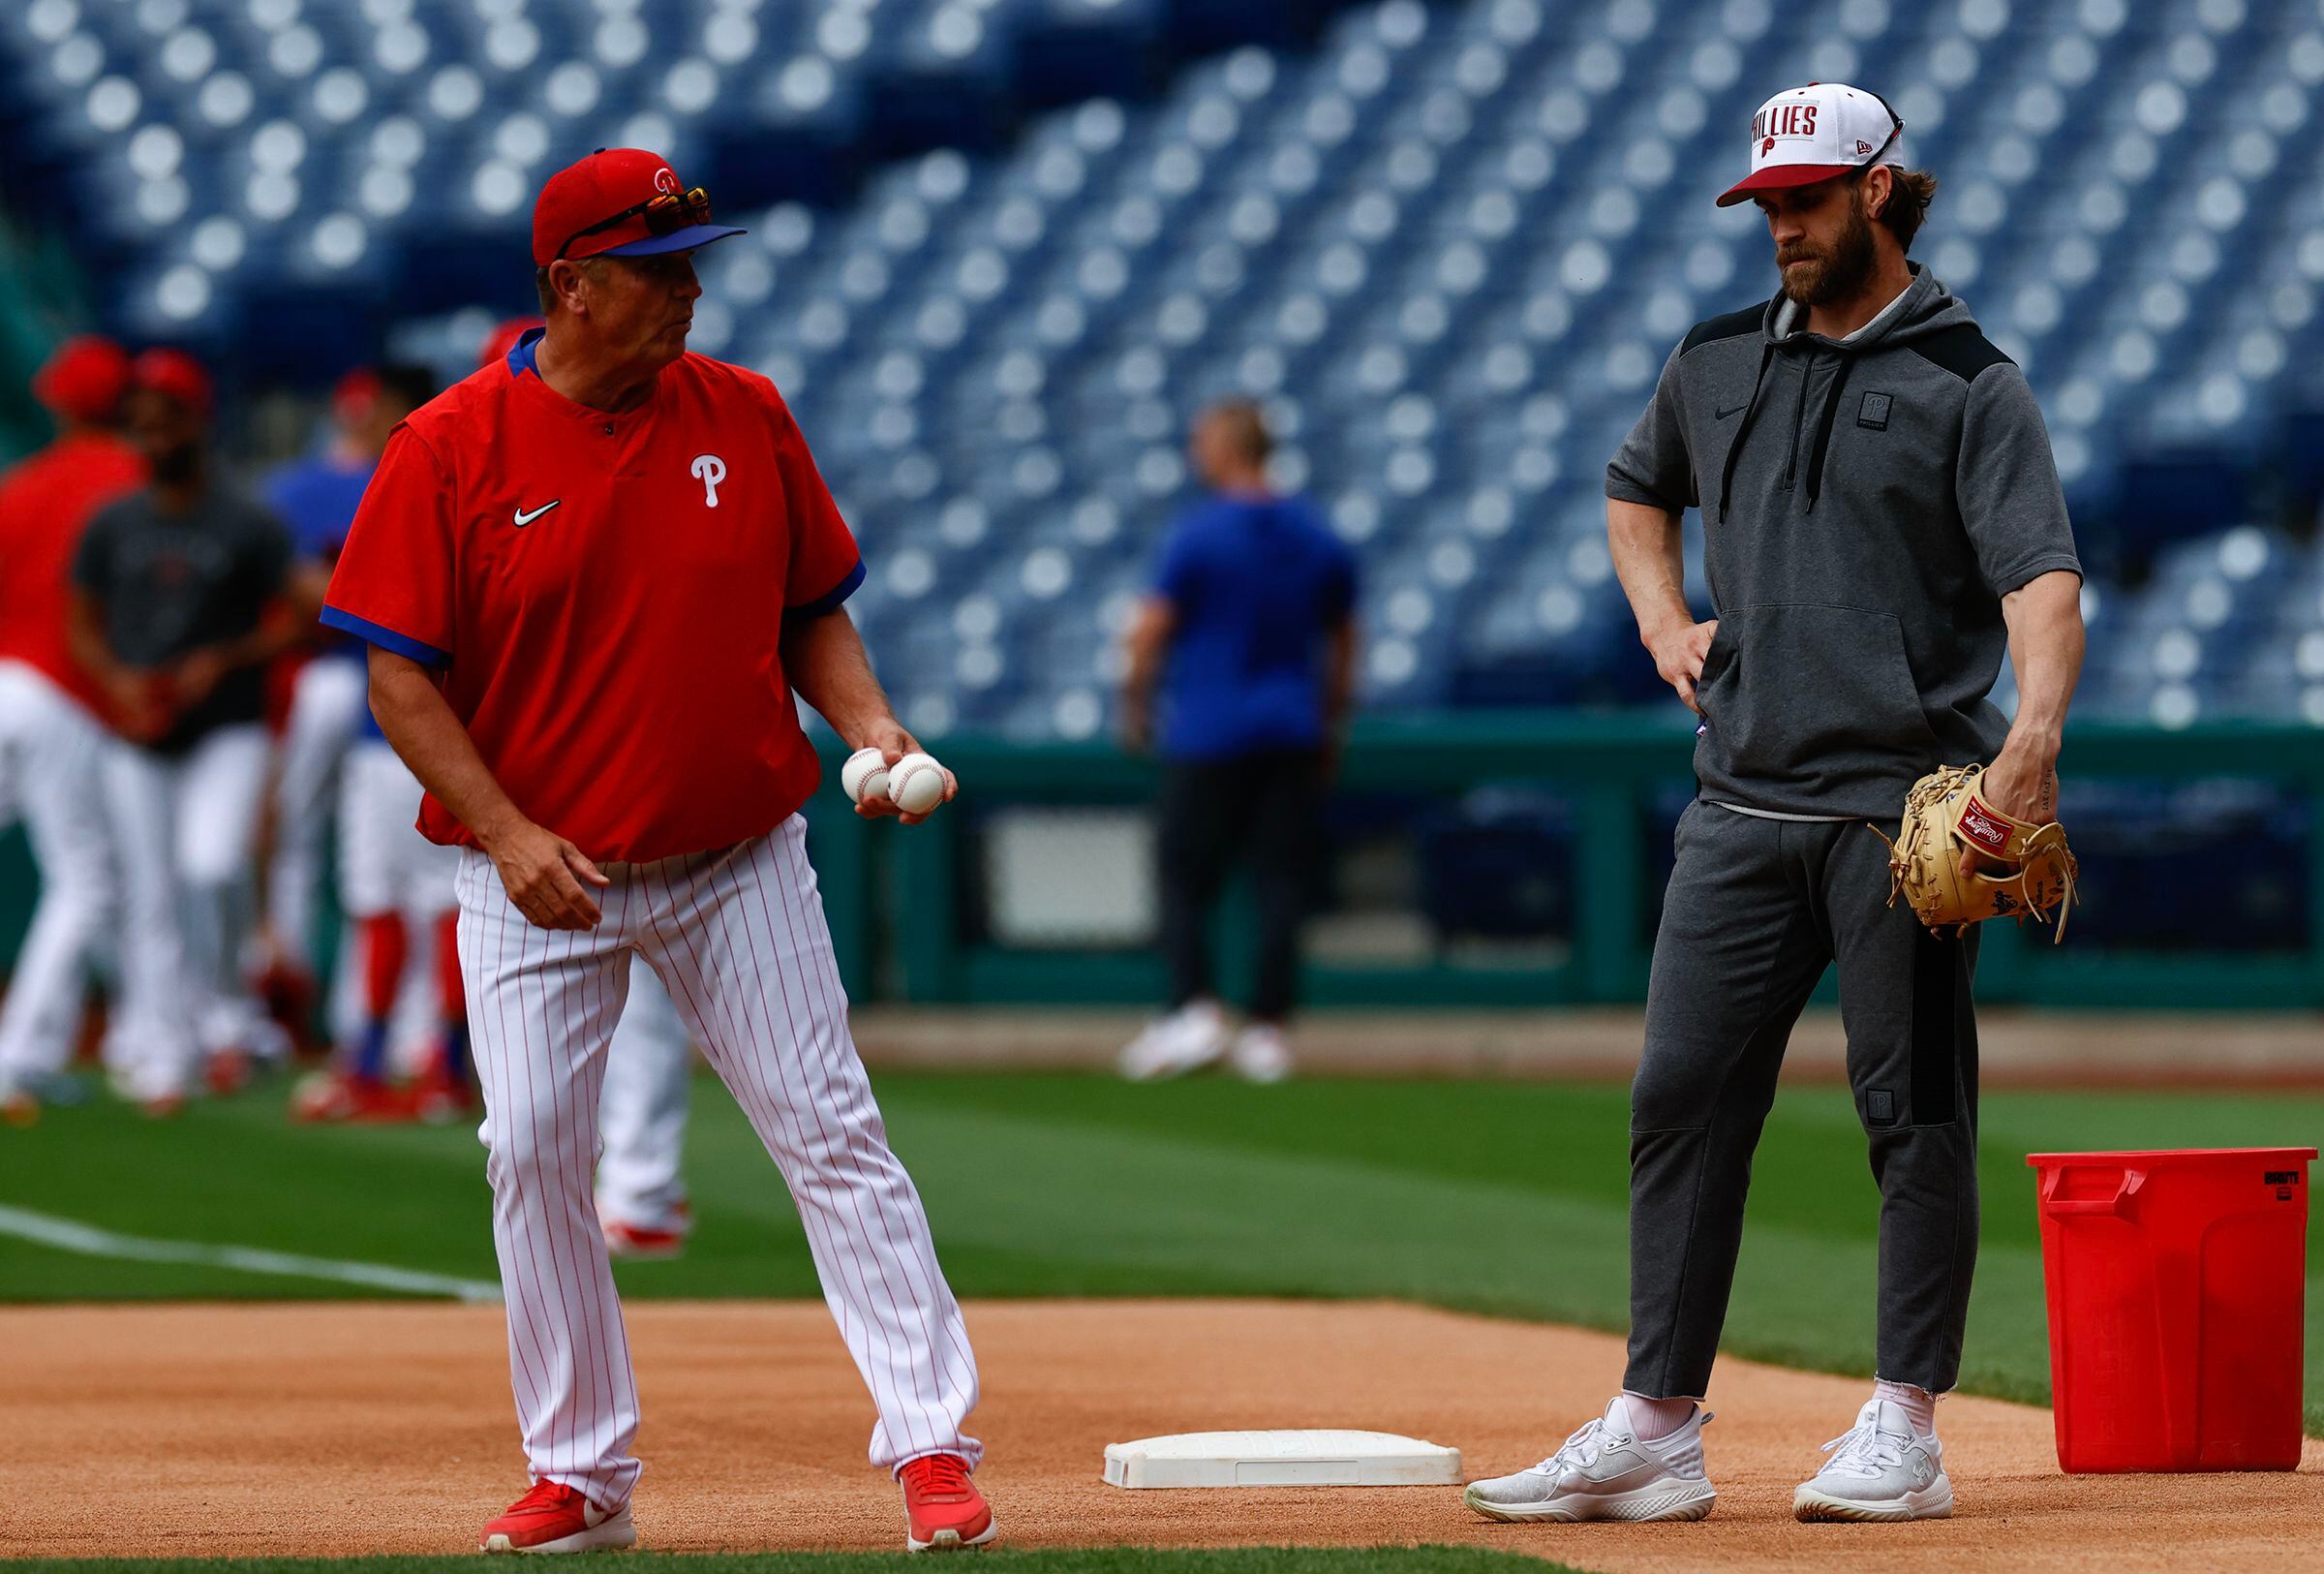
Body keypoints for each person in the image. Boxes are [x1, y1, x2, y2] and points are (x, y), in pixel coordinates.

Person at [320, 148, 994, 1554]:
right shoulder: (449, 446)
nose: (688, 289)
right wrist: (503, 834)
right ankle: (581, 1470)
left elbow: (811, 603)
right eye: (653, 268)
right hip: (537, 875)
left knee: (832, 1135)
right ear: (568, 285)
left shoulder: (742, 413)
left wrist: (871, 725)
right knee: (532, 1153)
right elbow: (398, 676)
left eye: (690, 262)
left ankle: (930, 1442)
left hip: (734, 855)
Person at [1464, 83, 2083, 1528]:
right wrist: (1661, 622)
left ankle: (1906, 1426)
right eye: (1766, 204)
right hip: (1738, 807)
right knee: (1678, 1100)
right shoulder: (1715, 357)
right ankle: (1656, 1424)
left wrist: (2033, 741)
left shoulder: (1968, 381)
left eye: (1806, 198)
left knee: (1912, 1116)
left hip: (1901, 812)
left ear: (1879, 189)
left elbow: (2040, 579)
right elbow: (1635, 493)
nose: (1782, 226)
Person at [68, 350, 322, 1111]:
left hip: (225, 725)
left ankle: (226, 1016)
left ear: (197, 419)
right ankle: (164, 1044)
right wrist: (113, 679)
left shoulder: (243, 516)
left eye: (166, 418)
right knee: (150, 890)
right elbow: (79, 619)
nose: (153, 434)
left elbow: (306, 611)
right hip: (137, 726)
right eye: (141, 422)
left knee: (210, 866)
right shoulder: (113, 520)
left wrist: (228, 658)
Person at [1116, 398, 1359, 1085]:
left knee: (1184, 874)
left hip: (1208, 729)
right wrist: (1331, 720)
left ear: (1226, 448)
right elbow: (1344, 638)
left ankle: (1193, 1011)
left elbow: (1150, 632)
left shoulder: (1199, 534)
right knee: (1279, 878)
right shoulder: (1314, 533)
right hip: (1290, 725)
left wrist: (1134, 704)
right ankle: (1268, 1030)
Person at [260, 364, 440, 1033]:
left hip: (391, 677)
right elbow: (296, 588)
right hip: (329, 671)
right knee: (306, 840)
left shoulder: (423, 464)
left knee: (410, 873)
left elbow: (331, 592)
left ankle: (412, 1038)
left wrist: (348, 592)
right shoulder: (304, 484)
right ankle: (284, 974)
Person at [0, 337, 144, 1112]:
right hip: (66, 692)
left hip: (4, 680)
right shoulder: (129, 481)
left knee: (82, 878)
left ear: (57, 401)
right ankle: (17, 1055)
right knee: (85, 879)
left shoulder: (19, 484)